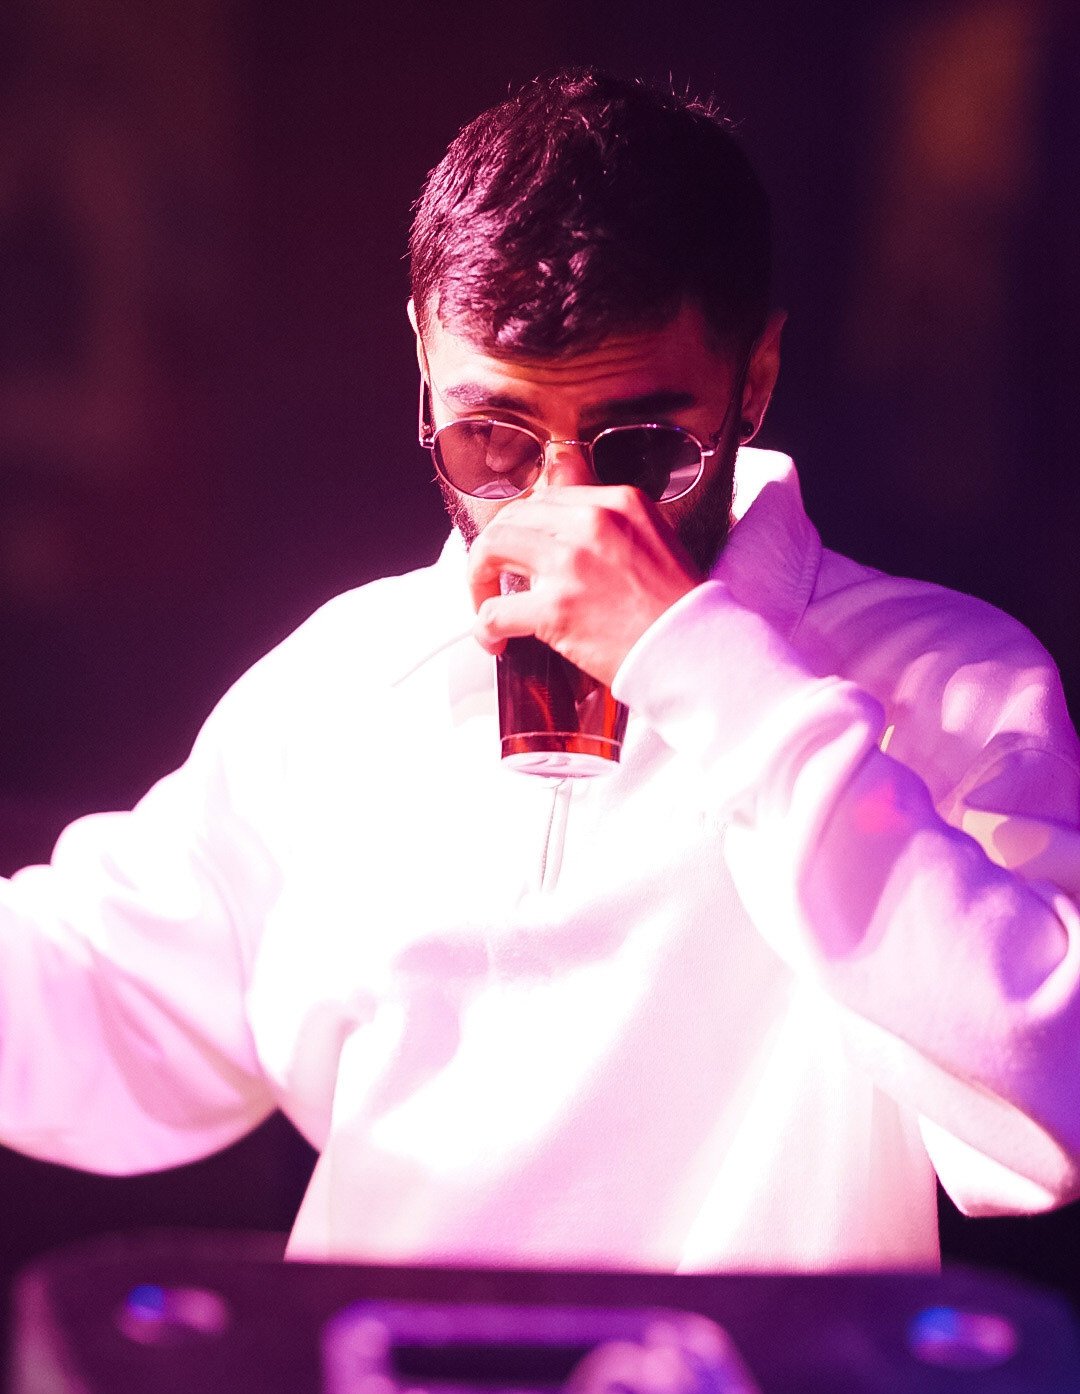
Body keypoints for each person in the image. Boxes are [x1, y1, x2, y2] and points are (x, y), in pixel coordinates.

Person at [2, 69, 1079, 1272]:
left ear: (755, 381)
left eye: (642, 448)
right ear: (424, 362)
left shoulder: (945, 679)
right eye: (493, 441)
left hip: (768, 1392)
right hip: (382, 1376)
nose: (566, 510)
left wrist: (712, 672)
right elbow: (111, 997)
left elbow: (1050, 1095)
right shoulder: (357, 669)